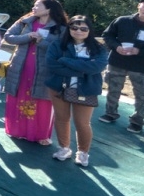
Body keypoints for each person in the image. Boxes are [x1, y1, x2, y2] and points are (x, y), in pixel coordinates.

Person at [1, 0, 68, 146]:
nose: (34, 8)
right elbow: (8, 37)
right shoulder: (25, 21)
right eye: (34, 5)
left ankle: (40, 134)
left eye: (38, 5)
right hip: (21, 66)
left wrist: (42, 42)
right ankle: (17, 130)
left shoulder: (61, 28)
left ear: (49, 9)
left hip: (44, 69)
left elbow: (62, 49)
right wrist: (28, 36)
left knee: (41, 99)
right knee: (19, 95)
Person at [100, 0, 144, 134]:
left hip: (141, 67)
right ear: (138, 6)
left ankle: (137, 121)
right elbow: (107, 36)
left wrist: (140, 51)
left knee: (141, 95)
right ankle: (110, 113)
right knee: (113, 89)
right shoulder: (122, 21)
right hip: (117, 62)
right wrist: (116, 47)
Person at [44, 16, 108, 165]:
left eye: (83, 28)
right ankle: (64, 148)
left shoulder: (98, 48)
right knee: (61, 118)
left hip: (86, 89)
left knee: (82, 123)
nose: (79, 31)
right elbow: (52, 65)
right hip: (58, 87)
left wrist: (66, 61)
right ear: (69, 29)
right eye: (74, 28)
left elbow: (97, 67)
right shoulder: (58, 45)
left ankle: (83, 152)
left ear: (89, 30)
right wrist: (83, 68)